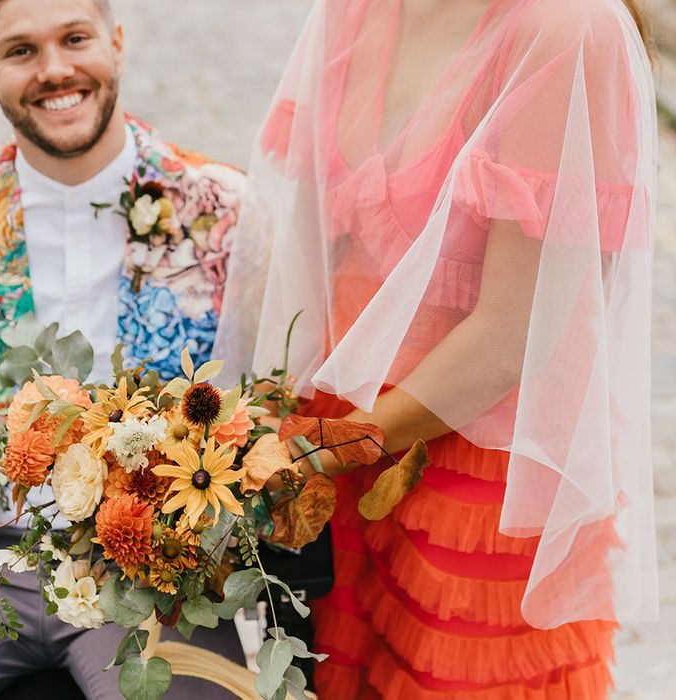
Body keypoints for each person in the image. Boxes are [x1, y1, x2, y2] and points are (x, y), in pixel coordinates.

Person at [215, 0, 658, 697]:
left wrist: (316, 446)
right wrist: (262, 418)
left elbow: (510, 338)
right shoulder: (350, 10)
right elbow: (308, 252)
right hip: (340, 426)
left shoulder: (566, 31)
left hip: (482, 460)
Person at [0, 0, 245, 697]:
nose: (55, 69)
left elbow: (266, 414)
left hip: (148, 568)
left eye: (75, 39)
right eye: (22, 50)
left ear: (116, 44)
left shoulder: (222, 210)